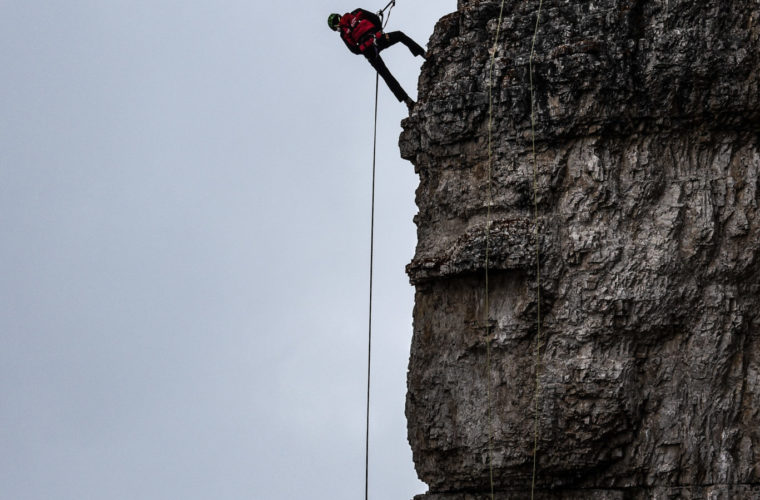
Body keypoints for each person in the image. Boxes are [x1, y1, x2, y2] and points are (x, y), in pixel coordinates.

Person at [328, 9, 426, 110]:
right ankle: (424, 54)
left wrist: (365, 50)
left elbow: (354, 50)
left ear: (335, 27)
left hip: (368, 51)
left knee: (385, 74)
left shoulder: (343, 34)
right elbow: (374, 18)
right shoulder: (355, 13)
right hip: (377, 39)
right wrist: (378, 32)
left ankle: (407, 101)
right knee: (400, 35)